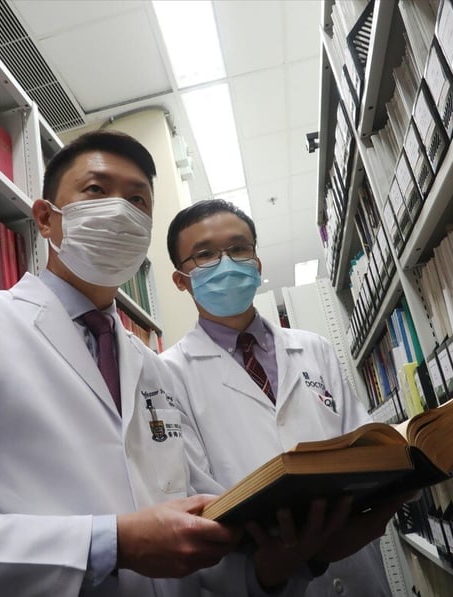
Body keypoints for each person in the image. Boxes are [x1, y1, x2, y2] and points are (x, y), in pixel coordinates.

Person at [0, 130, 319, 597]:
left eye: (138, 201)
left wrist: (265, 573)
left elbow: (191, 540)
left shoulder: (152, 367)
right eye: (96, 190)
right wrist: (110, 544)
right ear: (46, 220)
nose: (120, 213)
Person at [161, 199, 404, 597]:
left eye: (238, 249)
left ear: (256, 263)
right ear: (181, 279)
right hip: (263, 577)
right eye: (204, 255)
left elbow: (362, 445)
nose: (226, 263)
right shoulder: (168, 374)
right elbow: (198, 496)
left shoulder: (315, 349)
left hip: (357, 565)